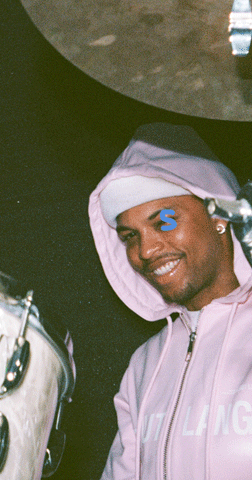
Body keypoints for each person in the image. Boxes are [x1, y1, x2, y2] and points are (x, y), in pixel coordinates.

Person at [88, 123, 252, 480]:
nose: (145, 250)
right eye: (129, 236)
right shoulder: (145, 364)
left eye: (164, 221)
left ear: (218, 216)